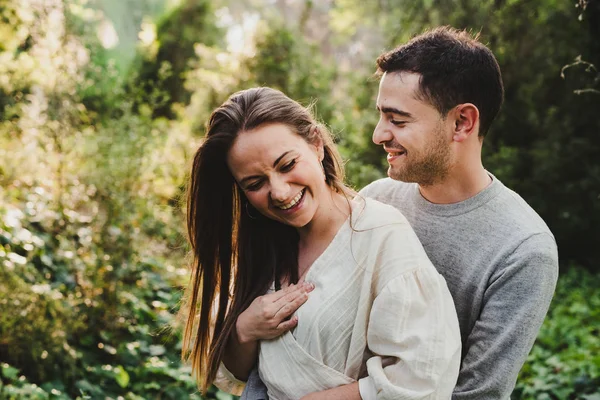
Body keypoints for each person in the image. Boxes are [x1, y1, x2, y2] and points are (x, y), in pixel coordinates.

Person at [181, 86, 461, 400]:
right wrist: (245, 329)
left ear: (316, 144)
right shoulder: (263, 243)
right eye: (255, 184)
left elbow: (424, 377)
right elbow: (241, 375)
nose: (280, 193)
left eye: (287, 165)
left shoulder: (381, 236)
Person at [359, 27, 559, 399]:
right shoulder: (375, 202)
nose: (378, 134)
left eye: (397, 120)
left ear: (462, 122)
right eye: (381, 116)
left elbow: (476, 394)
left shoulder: (523, 249)